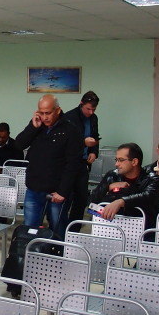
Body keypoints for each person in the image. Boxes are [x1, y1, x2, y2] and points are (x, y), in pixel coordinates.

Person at [14, 94, 83, 240]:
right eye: (41, 112)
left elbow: (73, 164)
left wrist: (63, 191)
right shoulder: (37, 125)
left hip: (56, 191)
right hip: (34, 188)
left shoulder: (71, 130)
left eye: (48, 113)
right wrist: (33, 127)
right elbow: (18, 145)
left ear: (58, 110)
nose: (45, 117)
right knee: (29, 230)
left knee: (57, 229)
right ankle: (31, 253)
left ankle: (58, 252)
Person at [90, 142, 159, 229]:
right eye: (116, 160)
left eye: (121, 160)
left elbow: (147, 197)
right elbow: (93, 200)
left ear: (134, 162)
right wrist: (108, 187)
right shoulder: (112, 175)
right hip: (111, 226)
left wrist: (121, 202)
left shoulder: (153, 179)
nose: (116, 164)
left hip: (142, 227)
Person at [63, 91, 101, 224]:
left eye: (94, 109)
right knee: (66, 196)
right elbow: (65, 141)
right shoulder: (69, 117)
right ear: (81, 104)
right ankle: (61, 227)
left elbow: (95, 137)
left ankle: (75, 227)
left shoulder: (94, 118)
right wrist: (83, 142)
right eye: (88, 109)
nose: (91, 112)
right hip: (68, 163)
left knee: (81, 198)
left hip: (83, 162)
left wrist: (94, 152)